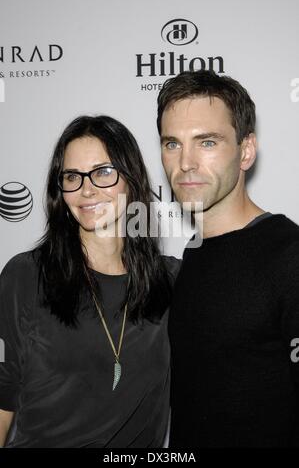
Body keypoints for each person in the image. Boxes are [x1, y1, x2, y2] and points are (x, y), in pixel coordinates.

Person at [0, 115, 180, 448]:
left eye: (103, 172)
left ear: (131, 179)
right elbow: (2, 389)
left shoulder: (172, 281)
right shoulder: (25, 276)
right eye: (72, 176)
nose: (86, 188)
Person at [157, 69, 299, 447]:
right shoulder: (191, 254)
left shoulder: (289, 254)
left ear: (246, 150)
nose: (185, 162)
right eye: (172, 144)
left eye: (206, 142)